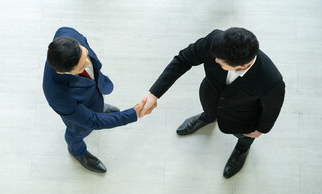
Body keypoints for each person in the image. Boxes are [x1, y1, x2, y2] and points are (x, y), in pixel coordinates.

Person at [139, 27, 285, 178]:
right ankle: (207, 118)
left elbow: (272, 109)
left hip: (243, 118)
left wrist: (261, 129)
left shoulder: (271, 80)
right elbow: (183, 60)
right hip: (210, 95)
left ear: (241, 67)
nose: (214, 60)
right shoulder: (215, 40)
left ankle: (242, 150)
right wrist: (154, 94)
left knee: (245, 137)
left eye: (220, 62)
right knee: (209, 112)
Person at [43, 27, 150, 174]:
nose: (88, 63)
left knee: (97, 106)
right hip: (80, 120)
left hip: (91, 96)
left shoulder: (65, 33)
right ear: (62, 72)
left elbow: (85, 45)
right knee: (76, 134)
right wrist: (133, 113)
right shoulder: (58, 96)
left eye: (85, 54)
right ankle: (77, 152)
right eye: (81, 66)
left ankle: (99, 107)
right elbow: (94, 121)